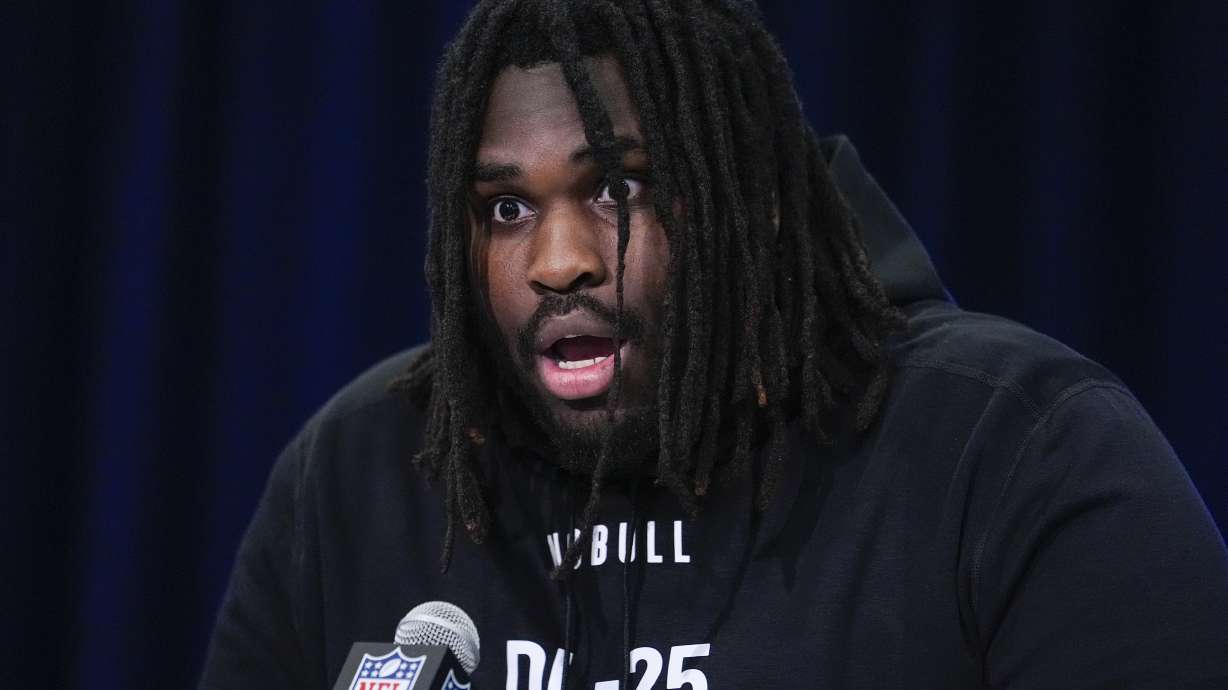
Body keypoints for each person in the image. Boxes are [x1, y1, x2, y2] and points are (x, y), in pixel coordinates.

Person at [199, 0, 1228, 687]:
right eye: (506, 209)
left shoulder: (1012, 452)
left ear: (756, 201)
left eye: (618, 187)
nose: (558, 262)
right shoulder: (362, 471)